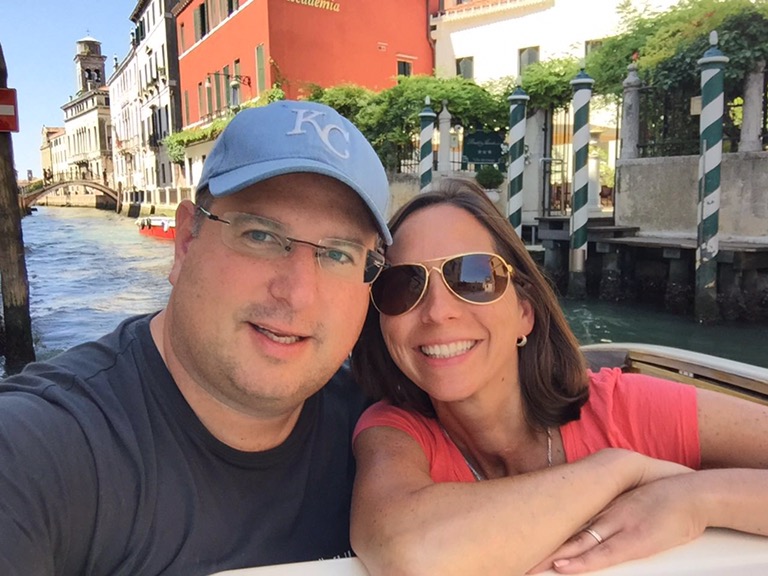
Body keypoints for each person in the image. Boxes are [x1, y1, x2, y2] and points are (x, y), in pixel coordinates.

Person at [0, 101, 393, 575]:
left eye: (338, 254)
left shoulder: (384, 433)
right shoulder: (39, 452)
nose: (298, 294)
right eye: (261, 236)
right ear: (186, 241)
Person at [350, 177, 768, 576]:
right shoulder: (393, 433)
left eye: (474, 277)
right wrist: (617, 470)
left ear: (524, 313)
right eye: (403, 286)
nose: (438, 312)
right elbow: (409, 552)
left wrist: (698, 498)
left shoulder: (624, 408)